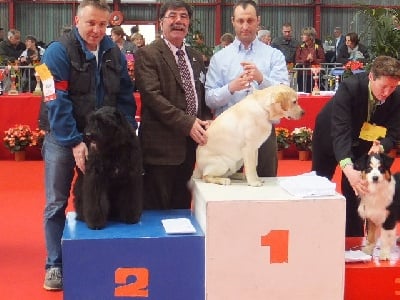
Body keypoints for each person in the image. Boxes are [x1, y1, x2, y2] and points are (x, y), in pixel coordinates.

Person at [39, 0, 137, 291]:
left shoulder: (113, 52)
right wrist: (74, 142)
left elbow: (124, 96)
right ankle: (55, 264)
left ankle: (106, 256)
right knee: (56, 201)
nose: (96, 30)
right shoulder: (56, 52)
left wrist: (126, 130)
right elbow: (53, 98)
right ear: (77, 20)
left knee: (104, 188)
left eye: (102, 24)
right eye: (91, 23)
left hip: (102, 136)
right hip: (61, 134)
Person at [134, 0, 212, 210]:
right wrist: (187, 123)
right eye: (172, 16)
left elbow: (199, 94)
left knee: (182, 210)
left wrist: (205, 119)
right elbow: (153, 97)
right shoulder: (147, 54)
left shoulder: (195, 57)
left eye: (184, 17)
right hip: (160, 150)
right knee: (156, 212)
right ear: (161, 22)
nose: (178, 21)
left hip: (191, 147)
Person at [312, 55, 400, 237]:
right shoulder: (350, 87)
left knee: (357, 190)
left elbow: (394, 132)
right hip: (330, 136)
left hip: (363, 143)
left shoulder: (396, 96)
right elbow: (340, 130)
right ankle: (315, 233)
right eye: (383, 86)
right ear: (371, 77)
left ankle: (354, 240)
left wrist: (381, 146)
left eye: (392, 87)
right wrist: (347, 166)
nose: (387, 93)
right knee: (319, 185)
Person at [205, 0, 289, 178]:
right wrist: (230, 88)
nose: (245, 26)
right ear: (233, 21)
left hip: (263, 132)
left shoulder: (273, 55)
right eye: (240, 21)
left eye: (250, 21)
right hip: (228, 134)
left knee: (265, 190)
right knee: (226, 192)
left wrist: (261, 79)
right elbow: (210, 99)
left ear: (258, 21)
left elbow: (285, 94)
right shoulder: (219, 58)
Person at [295, 26, 325, 92]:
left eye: (304, 35)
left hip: (314, 75)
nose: (302, 36)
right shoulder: (300, 47)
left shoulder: (317, 48)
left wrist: (313, 59)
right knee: (302, 93)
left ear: (310, 37)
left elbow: (322, 60)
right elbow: (297, 60)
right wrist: (306, 60)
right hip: (302, 74)